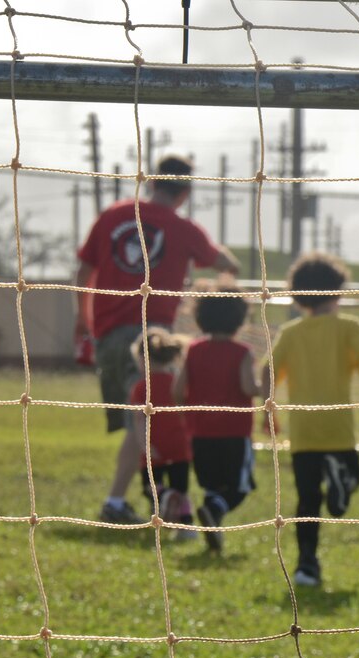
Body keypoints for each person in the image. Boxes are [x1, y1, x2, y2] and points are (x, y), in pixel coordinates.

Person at [75, 154, 240, 524]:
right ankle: (139, 498)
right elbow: (227, 263)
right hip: (152, 338)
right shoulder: (184, 229)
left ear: (151, 182)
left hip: (107, 335)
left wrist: (81, 323)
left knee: (140, 419)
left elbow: (84, 271)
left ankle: (143, 496)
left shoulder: (114, 214)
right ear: (184, 192)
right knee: (148, 419)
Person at [263, 252, 359, 587]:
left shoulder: (290, 332)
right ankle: (341, 478)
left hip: (302, 433)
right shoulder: (349, 327)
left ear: (299, 295)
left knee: (307, 501)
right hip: (338, 431)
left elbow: (267, 371)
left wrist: (265, 407)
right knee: (351, 478)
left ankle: (306, 566)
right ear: (339, 290)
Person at [174, 286, 262, 552]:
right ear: (239, 318)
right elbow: (248, 388)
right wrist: (264, 387)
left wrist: (190, 413)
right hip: (234, 432)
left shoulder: (194, 350)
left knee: (212, 485)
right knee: (239, 488)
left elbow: (177, 392)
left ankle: (214, 530)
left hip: (200, 434)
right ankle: (214, 512)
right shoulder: (242, 352)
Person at [128, 327, 196, 540]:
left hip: (154, 445)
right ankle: (186, 528)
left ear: (142, 358)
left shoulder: (141, 387)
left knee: (151, 487)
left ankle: (166, 498)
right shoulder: (178, 384)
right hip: (180, 445)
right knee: (182, 489)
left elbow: (140, 420)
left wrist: (144, 445)